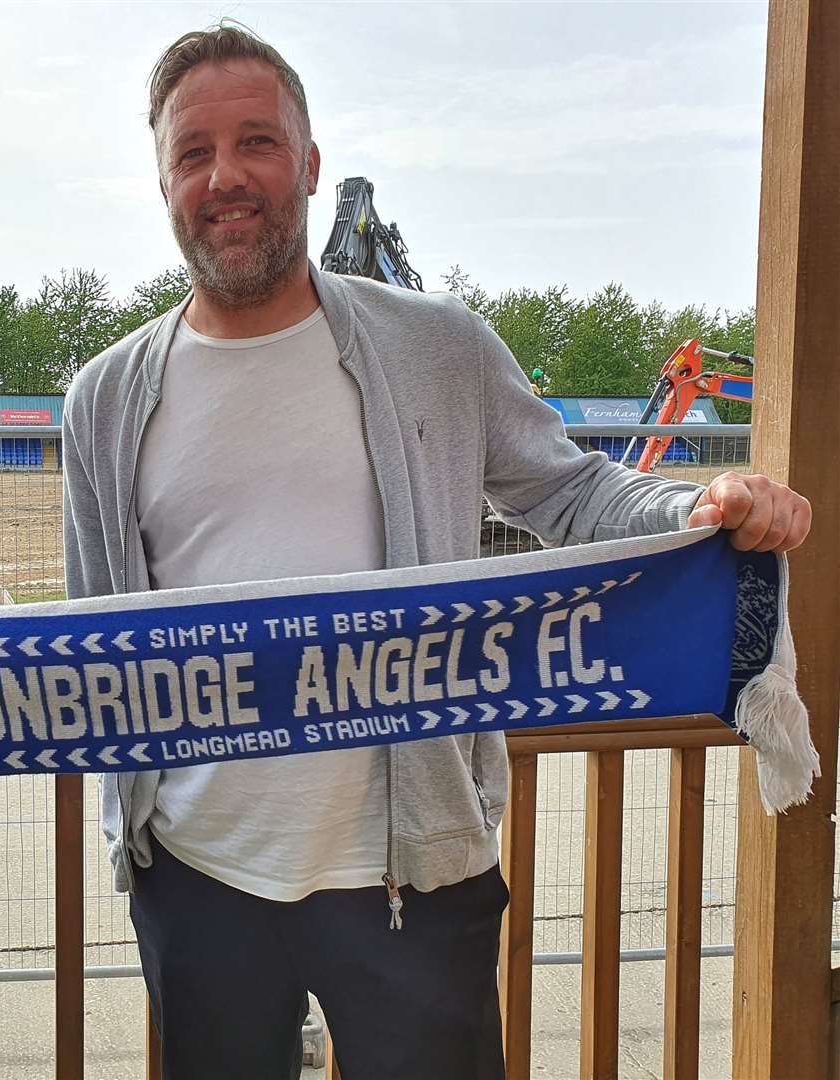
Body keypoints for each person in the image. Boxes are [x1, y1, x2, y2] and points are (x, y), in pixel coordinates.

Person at [61, 25, 810, 1080]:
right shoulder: (102, 398)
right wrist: (124, 832)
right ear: (162, 180)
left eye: (257, 142)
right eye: (193, 153)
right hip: (196, 869)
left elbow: (568, 487)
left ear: (310, 164)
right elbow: (92, 638)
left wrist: (699, 508)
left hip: (415, 872)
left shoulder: (435, 345)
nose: (226, 177)